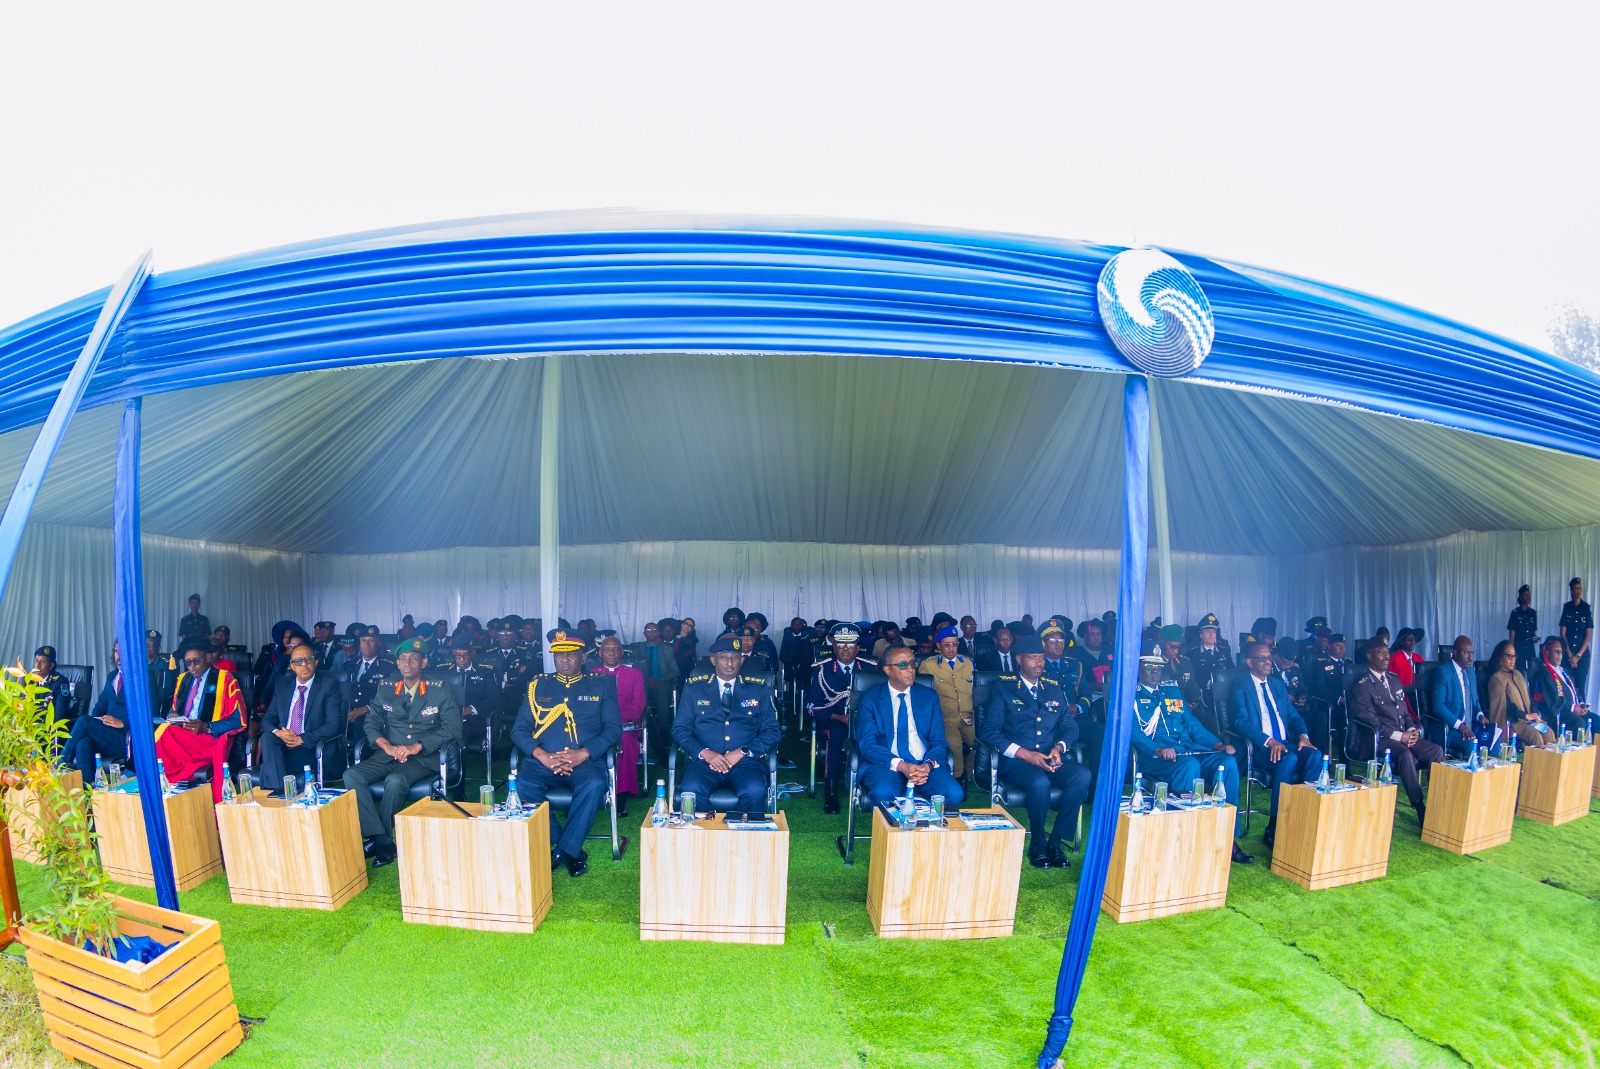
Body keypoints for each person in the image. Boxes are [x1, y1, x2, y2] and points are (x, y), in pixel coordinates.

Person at [510, 629, 620, 877]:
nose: (565, 659)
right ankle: (568, 847)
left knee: (594, 785)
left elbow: (613, 729)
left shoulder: (602, 684)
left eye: (571, 654)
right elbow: (519, 730)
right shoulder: (538, 685)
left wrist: (583, 754)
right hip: (543, 761)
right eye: (559, 654)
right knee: (523, 785)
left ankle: (560, 852)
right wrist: (542, 755)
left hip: (585, 762)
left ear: (583, 657)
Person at [344, 640, 462, 867]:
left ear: (423, 663)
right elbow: (371, 722)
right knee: (352, 775)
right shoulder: (387, 686)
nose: (407, 663)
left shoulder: (439, 688)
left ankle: (380, 842)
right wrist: (386, 746)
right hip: (390, 752)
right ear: (397, 663)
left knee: (395, 780)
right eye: (403, 659)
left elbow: (453, 728)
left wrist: (417, 746)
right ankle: (381, 839)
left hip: (423, 756)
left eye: (413, 659)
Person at [980, 635, 1092, 869]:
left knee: (1082, 775)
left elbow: (1070, 726)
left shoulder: (1053, 688)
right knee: (1040, 783)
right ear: (1019, 659)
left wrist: (1059, 747)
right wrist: (1024, 753)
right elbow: (989, 731)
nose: (1039, 663)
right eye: (1032, 658)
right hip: (1018, 762)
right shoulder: (1003, 687)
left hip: (1050, 758)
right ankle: (1038, 843)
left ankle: (1056, 842)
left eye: (1041, 657)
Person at [1132, 652, 1252, 863]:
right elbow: (1132, 732)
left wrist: (1217, 745)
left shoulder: (1172, 691)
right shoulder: (1130, 694)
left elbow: (1192, 724)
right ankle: (1186, 837)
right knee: (1189, 765)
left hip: (1188, 749)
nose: (1155, 672)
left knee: (1227, 762)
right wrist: (1158, 749)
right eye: (1149, 667)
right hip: (1156, 758)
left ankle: (1228, 837)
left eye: (1158, 667)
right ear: (1138, 669)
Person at [674, 634, 780, 814]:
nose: (729, 663)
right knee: (691, 788)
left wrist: (742, 752)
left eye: (735, 657)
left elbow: (773, 731)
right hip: (704, 763)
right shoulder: (694, 688)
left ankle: (747, 832)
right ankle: (703, 832)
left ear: (742, 660)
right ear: (713, 660)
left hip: (746, 762)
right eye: (723, 657)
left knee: (755, 790)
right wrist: (705, 753)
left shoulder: (758, 689)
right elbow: (680, 729)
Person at [1231, 642, 1322, 848]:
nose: (1268, 662)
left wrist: (1303, 736)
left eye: (1270, 658)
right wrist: (1269, 741)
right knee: (1288, 759)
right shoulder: (1241, 686)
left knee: (1314, 755)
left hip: (1285, 743)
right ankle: (1274, 827)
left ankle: (1305, 817)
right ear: (1250, 662)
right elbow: (1240, 722)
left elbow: (1293, 716)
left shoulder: (1277, 685)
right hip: (1259, 747)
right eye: (1262, 659)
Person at [1348, 640, 1445, 827]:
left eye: (1387, 652)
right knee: (1405, 754)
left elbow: (1405, 712)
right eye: (1381, 652)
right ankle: (1419, 806)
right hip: (1378, 740)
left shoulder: (1394, 679)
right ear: (1370, 656)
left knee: (1436, 751)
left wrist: (1411, 730)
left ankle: (1438, 803)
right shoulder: (1363, 686)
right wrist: (1401, 737)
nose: (1387, 656)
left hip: (1403, 735)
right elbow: (1371, 723)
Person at [857, 648, 964, 807]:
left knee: (953, 793)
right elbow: (868, 744)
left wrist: (927, 766)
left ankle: (933, 824)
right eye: (903, 665)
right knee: (883, 792)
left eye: (912, 663)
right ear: (888, 670)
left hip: (923, 765)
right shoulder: (870, 699)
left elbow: (938, 741)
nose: (910, 669)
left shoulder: (929, 696)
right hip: (886, 764)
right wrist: (902, 766)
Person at [155, 640, 246, 802]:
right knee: (161, 728)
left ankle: (147, 779)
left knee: (163, 732)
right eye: (188, 663)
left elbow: (239, 719)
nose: (192, 667)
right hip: (182, 735)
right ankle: (165, 792)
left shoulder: (225, 679)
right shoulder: (183, 679)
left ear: (207, 658)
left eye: (196, 661)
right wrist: (173, 715)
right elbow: (173, 709)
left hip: (208, 739)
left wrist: (207, 726)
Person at [808, 623, 875, 813]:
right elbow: (812, 704)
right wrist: (839, 717)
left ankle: (871, 784)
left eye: (850, 645)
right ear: (834, 647)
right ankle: (831, 791)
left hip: (865, 720)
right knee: (836, 736)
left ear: (858, 647)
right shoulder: (822, 669)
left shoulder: (870, 668)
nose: (845, 649)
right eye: (840, 644)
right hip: (835, 720)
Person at [259, 641, 343, 788]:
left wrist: (302, 739)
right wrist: (278, 733)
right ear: (292, 666)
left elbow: (333, 725)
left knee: (271, 767)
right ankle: (282, 789)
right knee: (267, 737)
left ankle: (279, 790)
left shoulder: (329, 685)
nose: (303, 664)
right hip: (282, 744)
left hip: (310, 747)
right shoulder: (283, 685)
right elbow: (267, 720)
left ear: (315, 662)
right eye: (298, 661)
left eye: (308, 659)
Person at [64, 640, 129, 782]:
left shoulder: (139, 678)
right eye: (116, 651)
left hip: (126, 738)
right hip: (107, 734)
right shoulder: (112, 676)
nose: (119, 656)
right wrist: (97, 721)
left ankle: (61, 762)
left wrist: (123, 723)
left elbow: (151, 713)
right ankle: (88, 790)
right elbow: (100, 706)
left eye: (123, 651)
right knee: (83, 742)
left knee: (83, 721)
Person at [917, 625, 976, 779]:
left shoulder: (968, 663)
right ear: (938, 646)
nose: (951, 649)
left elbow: (976, 691)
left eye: (955, 644)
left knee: (980, 741)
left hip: (968, 717)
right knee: (954, 743)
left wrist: (976, 714)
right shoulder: (928, 665)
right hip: (945, 719)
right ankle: (957, 777)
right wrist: (935, 717)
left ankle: (968, 774)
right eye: (947, 645)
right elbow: (924, 696)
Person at [592, 635, 645, 799]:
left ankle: (622, 791)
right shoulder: (591, 676)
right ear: (600, 653)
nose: (611, 652)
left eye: (615, 649)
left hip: (625, 725)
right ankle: (592, 785)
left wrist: (613, 720)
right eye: (607, 649)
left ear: (622, 652)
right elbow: (586, 706)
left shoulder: (635, 674)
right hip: (597, 726)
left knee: (626, 741)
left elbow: (639, 705)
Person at [434, 634, 499, 767]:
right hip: (443, 718)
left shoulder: (486, 672)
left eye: (466, 655)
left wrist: (469, 710)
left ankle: (456, 773)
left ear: (473, 653)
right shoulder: (443, 670)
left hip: (472, 721)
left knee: (457, 735)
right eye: (458, 655)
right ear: (453, 653)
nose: (462, 659)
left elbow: (494, 700)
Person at [1485, 640, 1559, 750]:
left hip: (1528, 720)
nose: (1513, 660)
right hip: (1513, 722)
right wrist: (1525, 716)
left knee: (1548, 732)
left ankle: (1551, 761)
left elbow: (1529, 698)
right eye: (1509, 656)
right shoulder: (1497, 679)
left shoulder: (1518, 674)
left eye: (1514, 656)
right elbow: (1504, 709)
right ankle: (1537, 761)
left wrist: (1535, 714)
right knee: (1535, 735)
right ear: (1500, 657)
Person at [1529, 635, 1596, 739]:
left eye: (1561, 652)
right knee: (1579, 723)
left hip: (1573, 710)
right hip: (1558, 714)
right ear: (1547, 653)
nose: (1560, 655)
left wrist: (1581, 704)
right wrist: (1573, 708)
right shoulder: (1545, 673)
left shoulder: (1563, 671)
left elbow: (1574, 691)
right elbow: (1553, 701)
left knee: (1597, 721)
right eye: (1557, 652)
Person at [1428, 636, 1482, 759]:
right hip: (1450, 728)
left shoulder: (1470, 672)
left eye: (1472, 653)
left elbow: (1475, 699)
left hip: (1471, 724)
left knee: (1492, 737)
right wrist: (1460, 725)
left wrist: (1480, 715)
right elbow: (1438, 707)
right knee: (1470, 744)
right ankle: (1470, 770)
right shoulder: (1443, 672)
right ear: (1455, 653)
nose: (1470, 657)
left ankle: (1489, 771)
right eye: (1466, 653)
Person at [342, 624, 395, 745]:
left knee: (360, 726)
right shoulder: (349, 665)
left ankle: (359, 756)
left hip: (372, 712)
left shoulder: (388, 667)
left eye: (371, 640)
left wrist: (366, 708)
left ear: (378, 643)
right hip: (348, 710)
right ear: (359, 643)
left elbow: (389, 696)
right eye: (363, 640)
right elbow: (343, 692)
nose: (367, 644)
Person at [1306, 633, 1353, 751]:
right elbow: (1320, 689)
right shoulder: (1321, 663)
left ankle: (1358, 752)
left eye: (1344, 646)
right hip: (1331, 704)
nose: (1342, 649)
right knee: (1344, 718)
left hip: (1350, 703)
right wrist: (1338, 699)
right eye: (1338, 646)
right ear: (1329, 646)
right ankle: (1344, 755)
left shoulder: (1349, 663)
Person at [1186, 613, 1233, 711]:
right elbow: (1190, 676)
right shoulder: (1193, 652)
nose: (1211, 634)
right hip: (1203, 692)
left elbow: (1231, 670)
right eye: (1207, 631)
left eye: (1213, 631)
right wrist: (1207, 684)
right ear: (1201, 635)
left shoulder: (1224, 649)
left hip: (1223, 691)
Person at [1561, 578, 1593, 696]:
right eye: (1576, 588)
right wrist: (1571, 656)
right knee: (1566, 688)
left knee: (1580, 688)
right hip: (1567, 655)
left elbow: (1588, 635)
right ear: (1571, 591)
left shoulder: (1586, 608)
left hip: (1582, 657)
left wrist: (1577, 656)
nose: (1578, 591)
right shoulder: (1567, 608)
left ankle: (1582, 709)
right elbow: (1563, 634)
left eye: (1580, 588)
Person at [25, 645, 73, 723]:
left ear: (51, 665)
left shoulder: (61, 683)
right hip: (30, 725)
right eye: (36, 661)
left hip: (49, 727)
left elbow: (59, 715)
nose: (38, 665)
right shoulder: (30, 680)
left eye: (43, 661)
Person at [1389, 628, 1425, 718]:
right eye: (1409, 640)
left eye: (1414, 639)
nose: (1413, 642)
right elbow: (1392, 685)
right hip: (1402, 697)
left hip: (1419, 696)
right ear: (1402, 642)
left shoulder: (1419, 659)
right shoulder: (1395, 659)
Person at [1072, 618, 1113, 694]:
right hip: (1089, 695)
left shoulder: (1109, 651)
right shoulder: (1076, 655)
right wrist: (1093, 686)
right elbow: (1074, 683)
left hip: (1113, 693)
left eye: (1098, 634)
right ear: (1084, 636)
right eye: (1092, 634)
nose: (1096, 638)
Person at [1508, 585, 1539, 674]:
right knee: (1519, 674)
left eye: (1529, 595)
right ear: (1521, 597)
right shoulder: (1515, 613)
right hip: (1519, 649)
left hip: (1530, 650)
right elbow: (1512, 637)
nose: (1528, 597)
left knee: (1532, 674)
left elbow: (1533, 632)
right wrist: (1512, 655)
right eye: (1525, 595)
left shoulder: (1533, 613)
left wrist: (1535, 638)